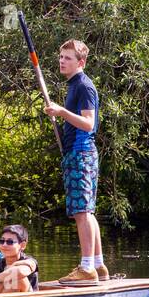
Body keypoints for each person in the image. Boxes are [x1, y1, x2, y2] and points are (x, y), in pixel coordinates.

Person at [44, 39, 110, 284]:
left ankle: (86, 268)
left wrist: (61, 112)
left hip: (81, 153)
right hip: (78, 153)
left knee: (82, 212)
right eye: (61, 57)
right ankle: (98, 265)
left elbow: (88, 123)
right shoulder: (74, 85)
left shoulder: (83, 86)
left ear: (80, 62)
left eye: (68, 58)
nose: (62, 61)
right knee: (87, 212)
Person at [0, 224, 38, 293]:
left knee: (18, 278)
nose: (4, 245)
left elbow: (20, 272)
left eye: (10, 242)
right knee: (12, 278)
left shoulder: (29, 261)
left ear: (22, 245)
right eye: (2, 241)